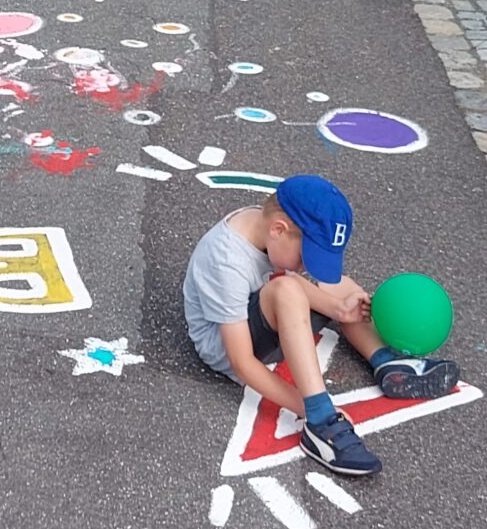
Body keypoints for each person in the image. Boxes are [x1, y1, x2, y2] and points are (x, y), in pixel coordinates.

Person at [183, 176, 461, 477]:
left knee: (341, 287)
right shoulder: (227, 260)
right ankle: (320, 423)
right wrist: (306, 406)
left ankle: (385, 362)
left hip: (267, 309)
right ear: (279, 230)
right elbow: (240, 361)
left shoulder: (270, 230)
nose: (306, 266)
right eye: (306, 257)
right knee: (288, 288)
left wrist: (338, 307)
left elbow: (286, 276)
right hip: (227, 346)